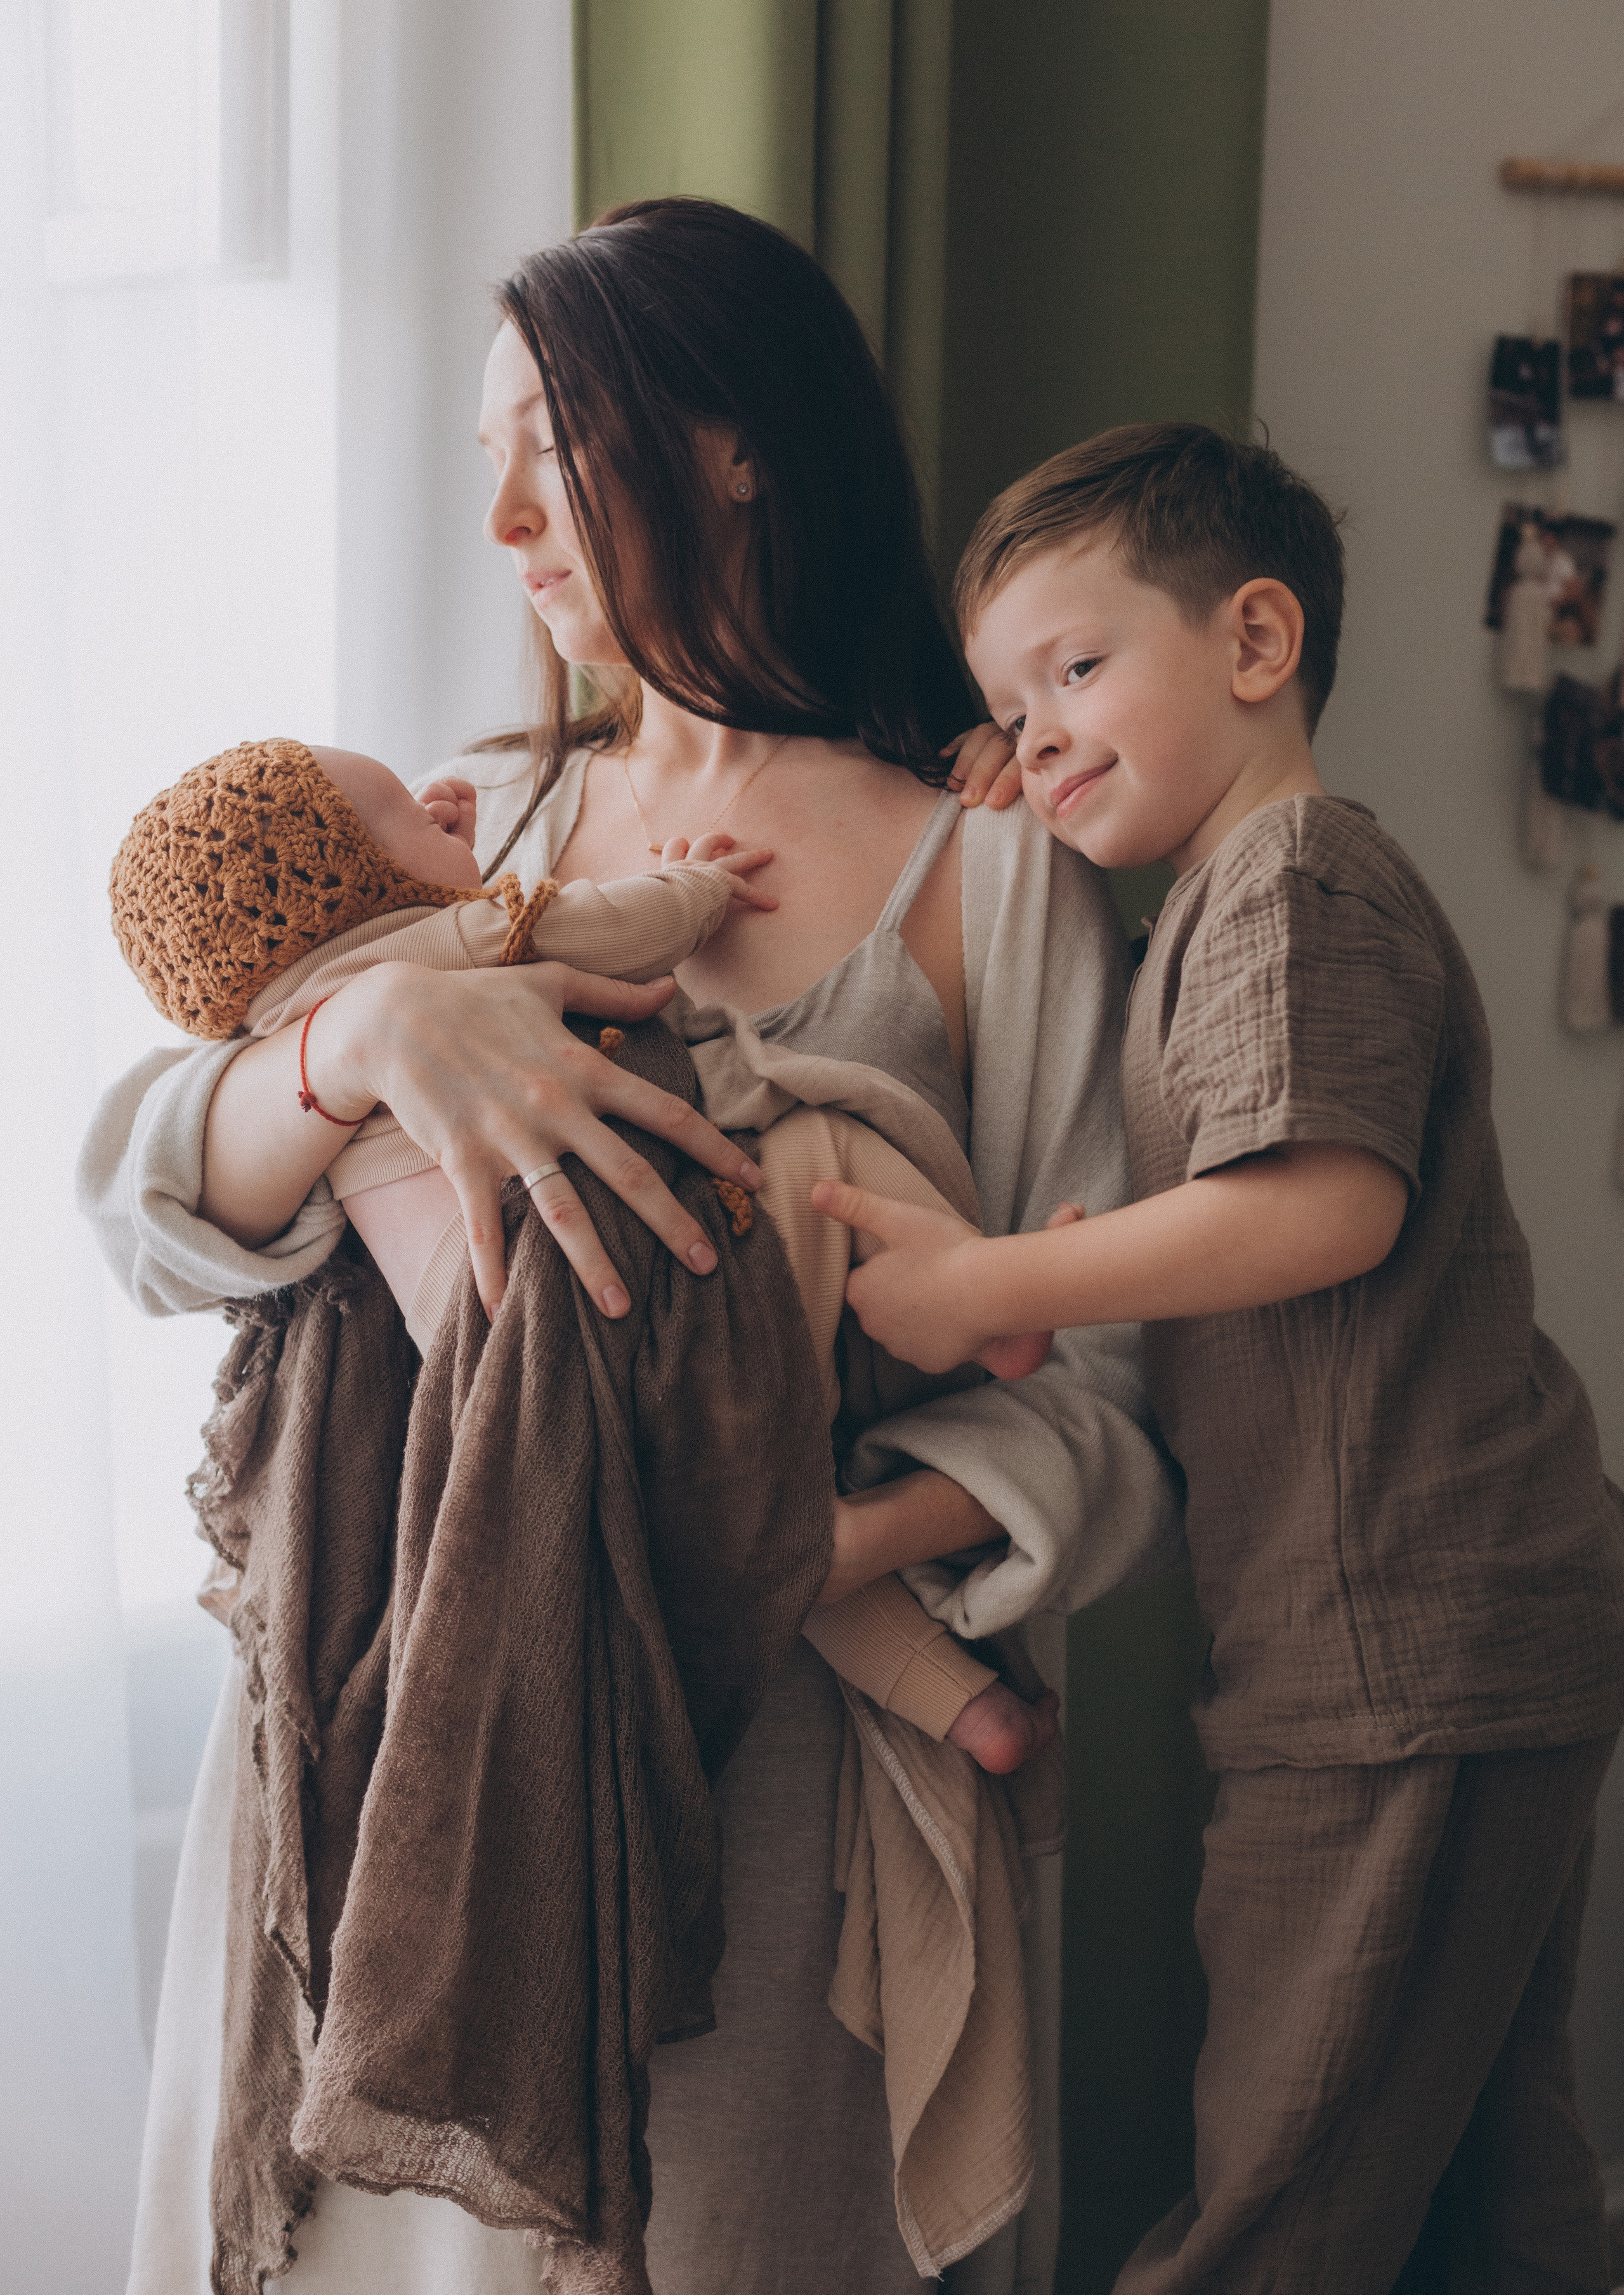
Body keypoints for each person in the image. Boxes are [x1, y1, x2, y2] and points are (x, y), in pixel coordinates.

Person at [81, 199, 1181, 2295]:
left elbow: (1116, 1402)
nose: (502, 517)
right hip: (397, 1734)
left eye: (554, 446)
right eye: (486, 454)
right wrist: (358, 1045)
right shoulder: (467, 825)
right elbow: (136, 1201)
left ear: (736, 445)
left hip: (760, 1802)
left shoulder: (987, 877)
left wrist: (792, 1550)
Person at [817, 421, 1624, 2294]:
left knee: (1279, 2198)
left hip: (1400, 1649)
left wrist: (994, 1277)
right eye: (1008, 713)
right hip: (1442, 1628)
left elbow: (1322, 1206)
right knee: (1482, 2183)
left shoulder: (1291, 882)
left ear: (1256, 642)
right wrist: (1048, 754)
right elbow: (1243, 1195)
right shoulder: (1218, 906)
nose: (1037, 741)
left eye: (1076, 671)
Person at [107, 731, 1057, 1769]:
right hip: (631, 1287)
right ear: (359, 878)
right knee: (822, 1155)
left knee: (750, 1523)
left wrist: (350, 1008)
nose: (439, 801)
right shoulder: (471, 931)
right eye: (401, 813)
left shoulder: (266, 1027)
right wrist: (692, 888)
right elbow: (624, 930)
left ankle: (972, 1712)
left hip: (499, 1383)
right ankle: (986, 1308)